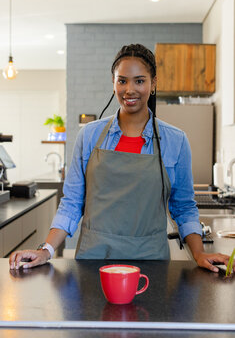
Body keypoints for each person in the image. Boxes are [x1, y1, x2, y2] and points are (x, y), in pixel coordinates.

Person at [9, 44, 233, 273]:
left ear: (153, 83)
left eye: (139, 81)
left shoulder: (175, 140)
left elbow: (184, 206)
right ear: (113, 82)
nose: (130, 89)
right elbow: (72, 202)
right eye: (122, 80)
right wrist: (45, 250)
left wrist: (199, 254)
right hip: (94, 260)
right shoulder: (89, 136)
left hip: (151, 263)